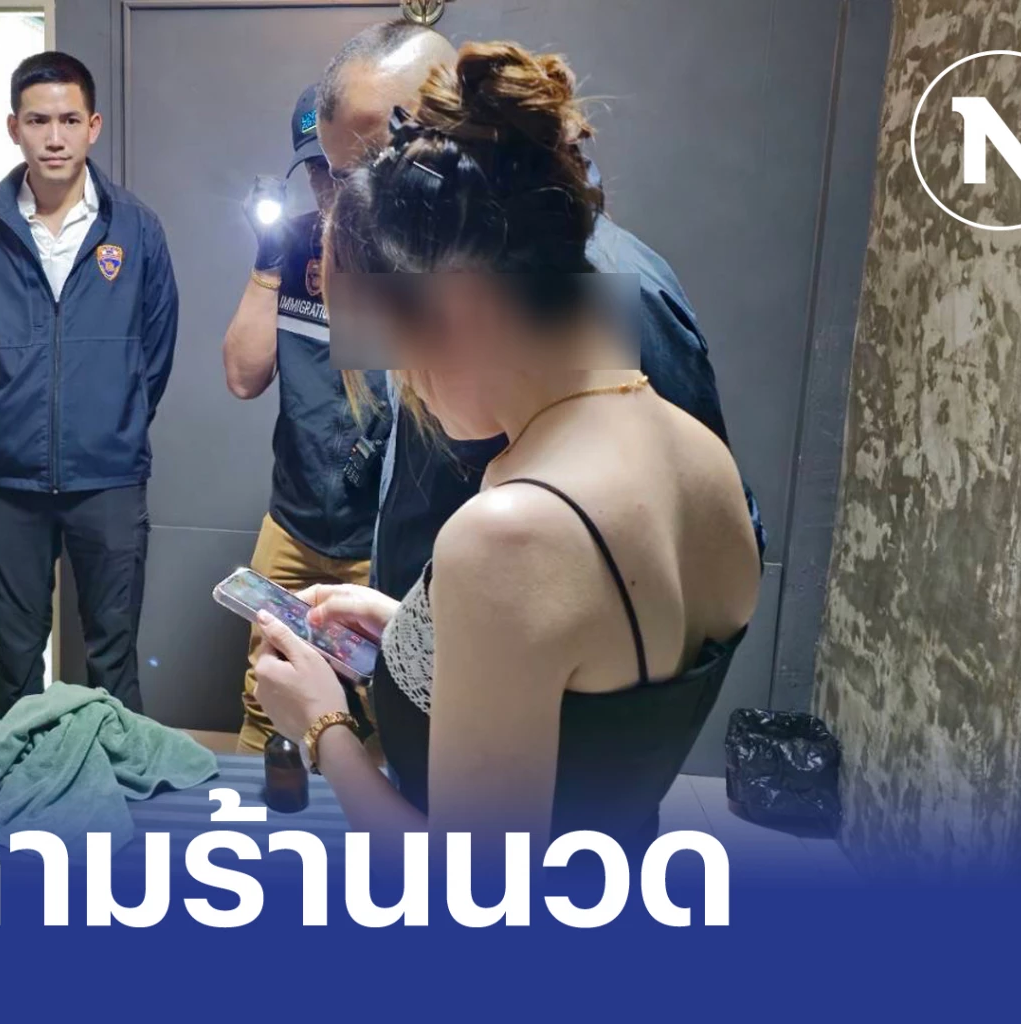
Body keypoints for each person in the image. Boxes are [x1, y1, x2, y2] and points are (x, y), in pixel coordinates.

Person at [252, 43, 760, 850]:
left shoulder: (509, 532)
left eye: (403, 358)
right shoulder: (702, 459)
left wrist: (322, 726)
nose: (412, 394)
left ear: (460, 309)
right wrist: (416, 632)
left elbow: (473, 891)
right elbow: (600, 676)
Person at [313, 19, 764, 602]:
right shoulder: (406, 270)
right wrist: (407, 629)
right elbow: (412, 467)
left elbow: (703, 541)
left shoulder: (615, 291)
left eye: (382, 159)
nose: (356, 204)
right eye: (338, 177)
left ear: (448, 122)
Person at [0, 53, 180, 718]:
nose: (54, 137)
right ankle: (18, 772)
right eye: (37, 121)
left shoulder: (137, 229)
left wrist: (111, 420)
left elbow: (157, 350)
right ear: (14, 128)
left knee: (113, 658)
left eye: (69, 120)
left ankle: (115, 773)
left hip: (107, 480)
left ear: (93, 126)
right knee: (16, 659)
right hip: (8, 483)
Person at [222, 85, 390, 754]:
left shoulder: (413, 258)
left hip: (378, 537)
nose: (329, 186)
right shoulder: (292, 247)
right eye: (315, 169)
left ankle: (362, 815)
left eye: (341, 170)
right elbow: (243, 377)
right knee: (266, 689)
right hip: (291, 522)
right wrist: (268, 265)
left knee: (379, 706)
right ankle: (254, 814)